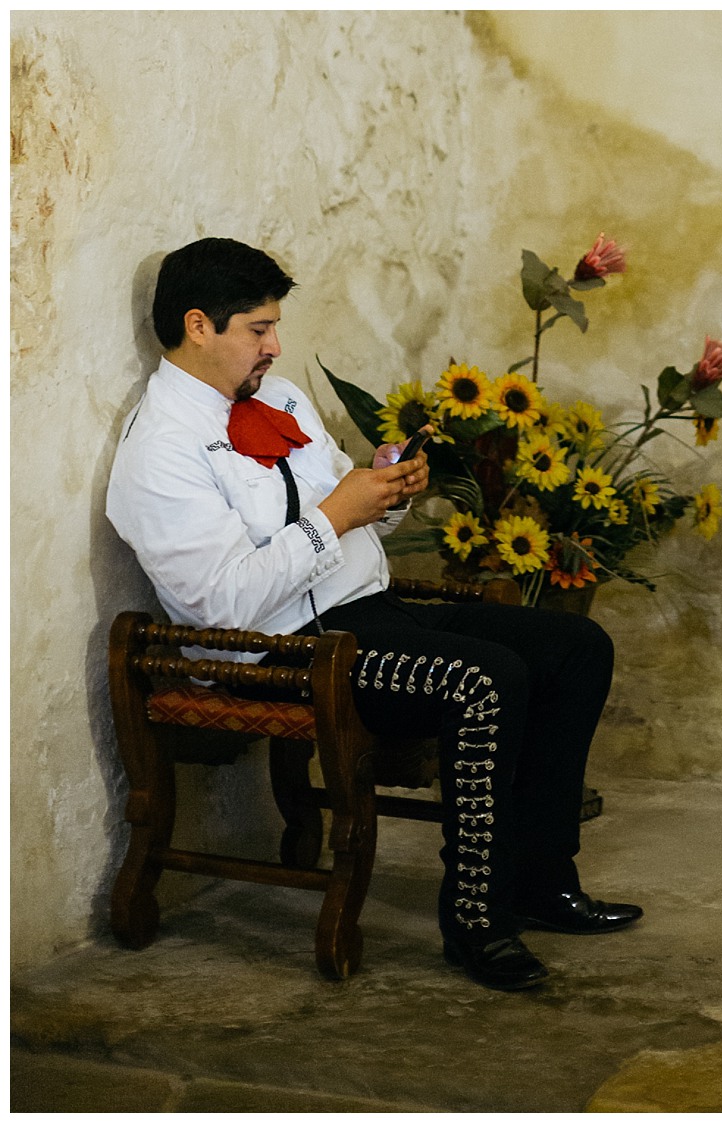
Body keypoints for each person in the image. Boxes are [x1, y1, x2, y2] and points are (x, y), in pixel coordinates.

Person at [106, 237, 641, 992]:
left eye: (274, 326)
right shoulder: (159, 449)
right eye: (258, 328)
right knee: (484, 680)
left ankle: (540, 879)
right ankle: (478, 921)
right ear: (199, 326)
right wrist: (336, 513)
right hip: (283, 654)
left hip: (370, 612)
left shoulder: (283, 398)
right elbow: (219, 603)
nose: (275, 344)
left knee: (575, 645)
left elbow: (342, 514)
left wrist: (386, 493)